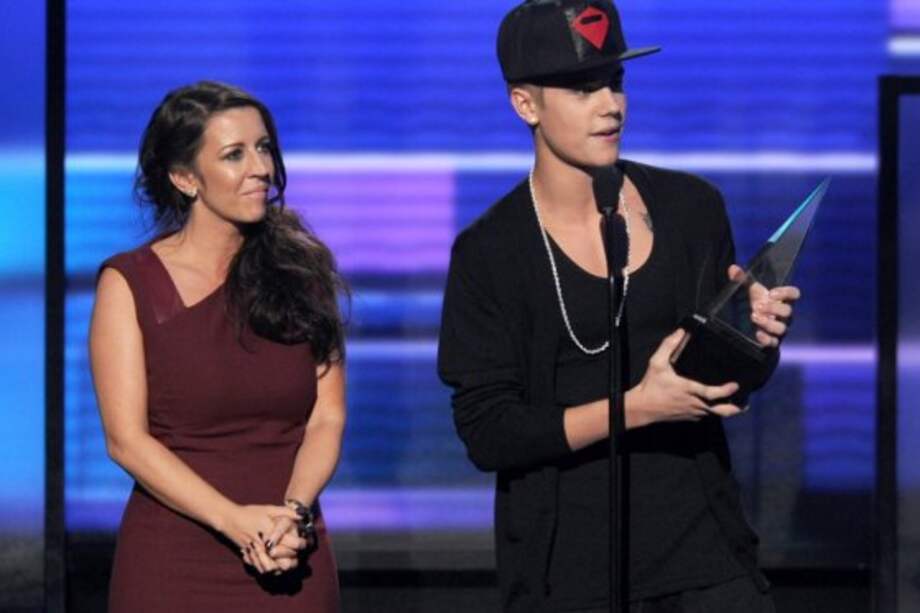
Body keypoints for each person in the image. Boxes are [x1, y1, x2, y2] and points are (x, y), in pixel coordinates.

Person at [437, 2, 801, 612]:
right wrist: (636, 408)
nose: (611, 105)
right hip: (570, 573)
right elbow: (489, 433)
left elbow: (729, 382)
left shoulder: (691, 208)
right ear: (525, 104)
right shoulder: (491, 251)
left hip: (704, 555)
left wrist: (756, 337)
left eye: (616, 81)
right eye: (584, 89)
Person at [90, 81, 346, 612]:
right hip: (175, 559)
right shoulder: (130, 283)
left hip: (290, 547)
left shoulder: (303, 272)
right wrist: (235, 521)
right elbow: (126, 441)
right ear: (185, 178)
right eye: (234, 155)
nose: (261, 168)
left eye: (264, 148)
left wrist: (293, 515)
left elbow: (327, 418)